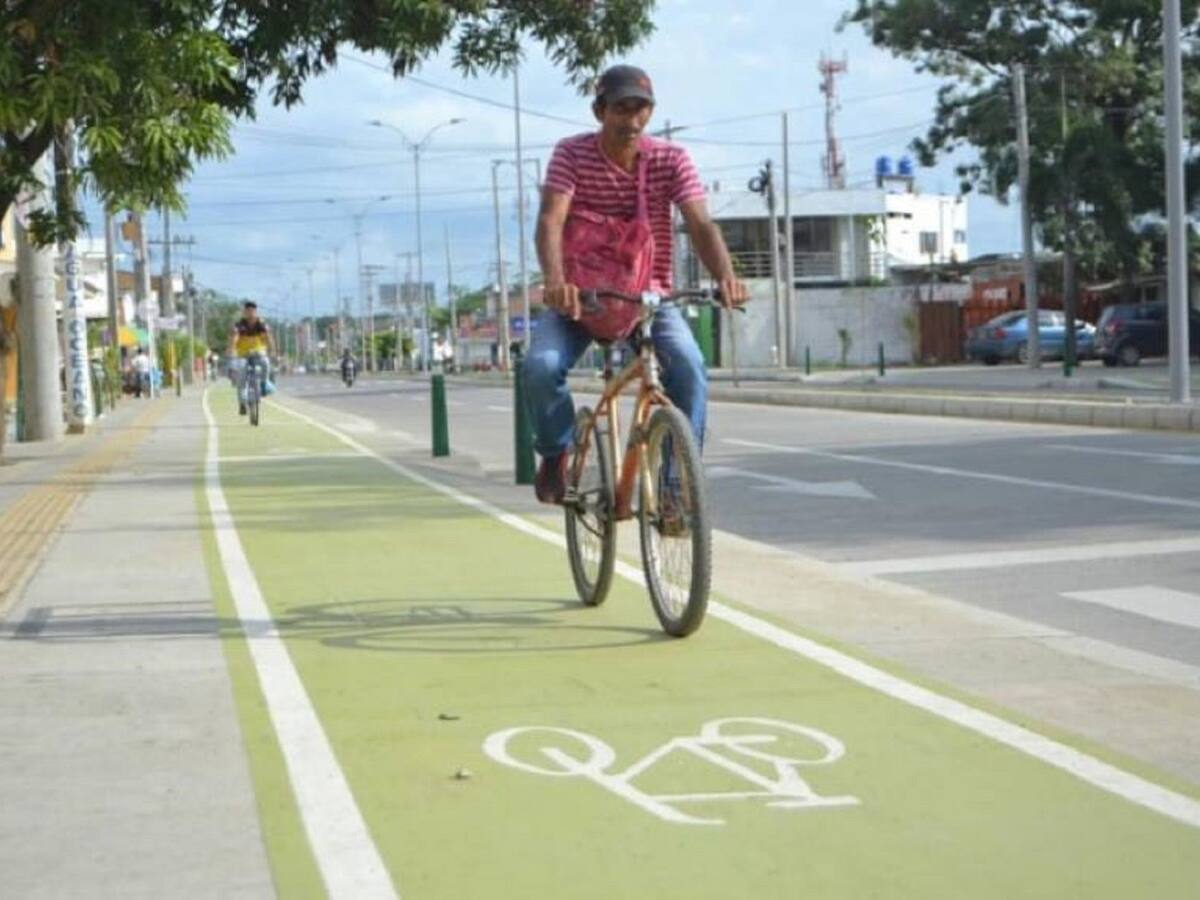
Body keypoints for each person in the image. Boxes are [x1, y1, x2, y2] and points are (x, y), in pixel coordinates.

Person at [523, 64, 749, 504]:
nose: (632, 121)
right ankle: (555, 452)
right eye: (621, 109)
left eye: (641, 109)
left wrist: (726, 276)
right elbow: (551, 220)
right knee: (540, 368)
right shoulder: (571, 155)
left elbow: (700, 223)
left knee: (688, 367)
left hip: (649, 299)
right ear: (599, 111)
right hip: (580, 298)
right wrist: (555, 283)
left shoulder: (671, 160)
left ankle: (674, 488)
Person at [227, 301, 275, 414]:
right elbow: (235, 338)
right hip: (242, 354)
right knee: (241, 378)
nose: (250, 314)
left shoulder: (261, 324)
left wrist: (273, 350)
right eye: (248, 311)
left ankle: (263, 383)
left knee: (265, 362)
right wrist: (231, 349)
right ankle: (242, 404)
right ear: (244, 312)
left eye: (252, 311)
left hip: (258, 352)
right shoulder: (239, 325)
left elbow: (268, 337)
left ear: (256, 312)